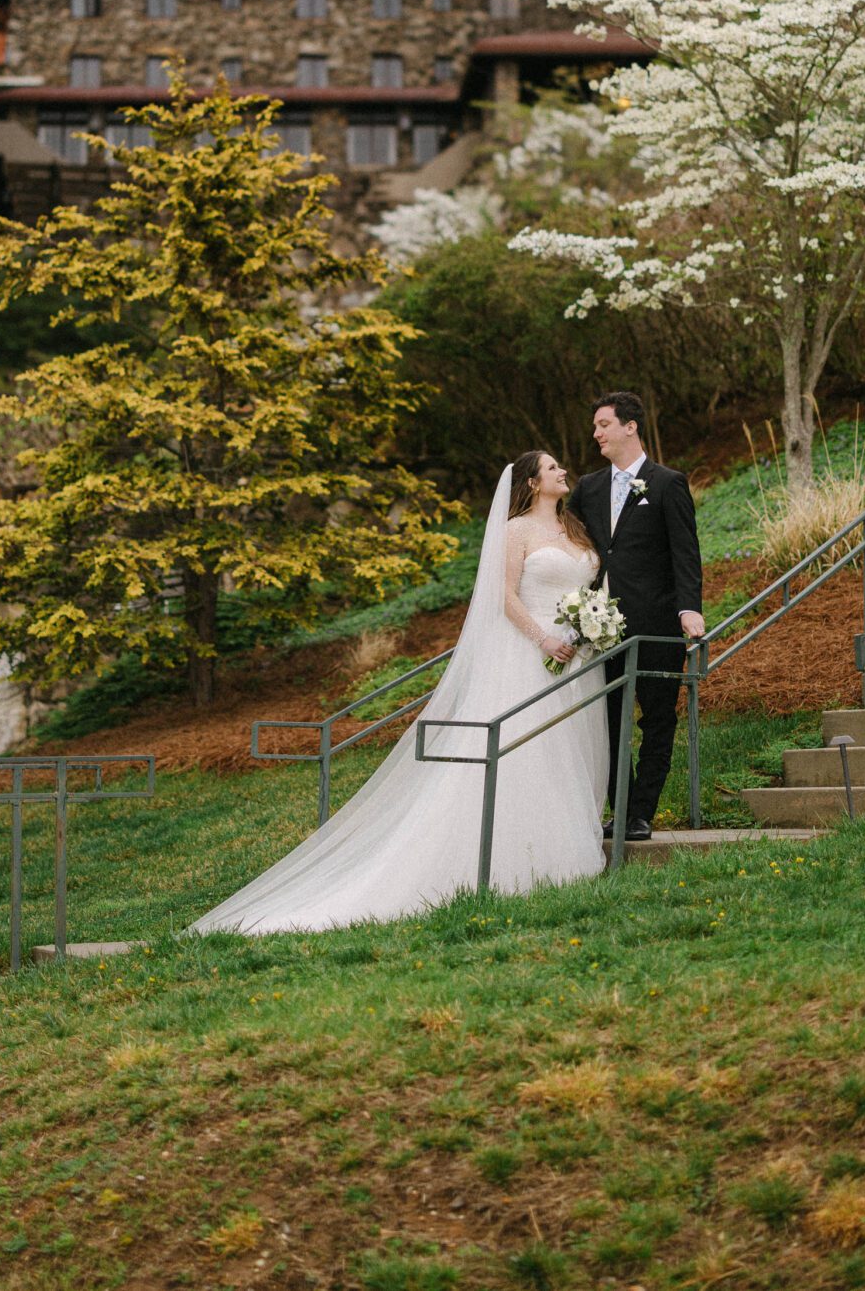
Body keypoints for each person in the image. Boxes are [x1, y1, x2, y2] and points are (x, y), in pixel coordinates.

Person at [188, 451, 608, 935]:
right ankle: (527, 858)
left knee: (566, 751)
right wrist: (544, 638)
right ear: (533, 483)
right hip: (531, 654)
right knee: (528, 750)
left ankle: (563, 842)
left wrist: (588, 627)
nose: (562, 472)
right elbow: (505, 595)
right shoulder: (516, 531)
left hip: (580, 657)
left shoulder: (575, 528)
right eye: (552, 467)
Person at [569, 390, 705, 841]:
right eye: (595, 427)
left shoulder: (667, 483)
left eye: (603, 424)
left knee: (658, 718)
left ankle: (641, 813)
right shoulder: (587, 488)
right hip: (599, 629)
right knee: (606, 721)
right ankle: (620, 807)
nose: (596, 434)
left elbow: (685, 554)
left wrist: (689, 610)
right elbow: (570, 545)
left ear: (630, 426)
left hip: (658, 624)